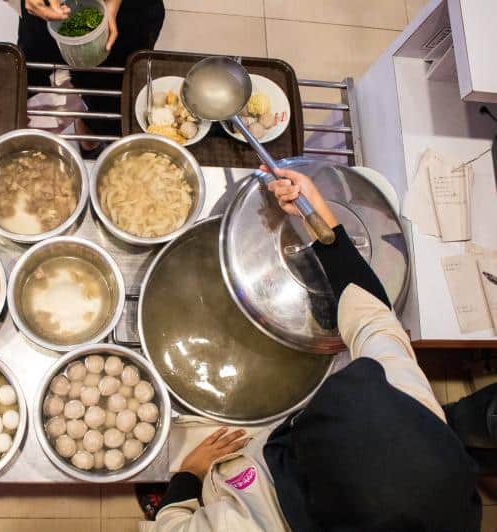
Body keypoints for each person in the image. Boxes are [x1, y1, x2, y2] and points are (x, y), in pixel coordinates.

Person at [151, 167, 483, 531]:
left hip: (230, 480)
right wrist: (316, 215)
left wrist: (188, 478)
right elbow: (372, 316)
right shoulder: (404, 403)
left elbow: (171, 526)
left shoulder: (245, 522)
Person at [18, 0, 165, 144]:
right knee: (26, 81)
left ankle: (89, 135)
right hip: (43, 11)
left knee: (108, 99)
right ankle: (20, 134)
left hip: (126, 13)